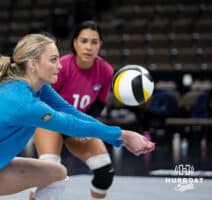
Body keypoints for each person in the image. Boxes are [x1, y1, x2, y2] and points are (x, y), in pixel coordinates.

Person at [0, 33, 155, 200]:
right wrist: (123, 136)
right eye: (53, 60)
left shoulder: (35, 87)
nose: (60, 65)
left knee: (57, 174)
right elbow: (70, 125)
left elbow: (72, 113)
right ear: (33, 64)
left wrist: (121, 135)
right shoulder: (22, 102)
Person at [32, 20, 140, 199]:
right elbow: (45, 100)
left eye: (94, 42)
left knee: (105, 172)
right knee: (49, 173)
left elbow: (99, 104)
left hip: (78, 124)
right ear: (75, 43)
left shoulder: (105, 70)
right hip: (51, 121)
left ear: (100, 45)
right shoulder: (62, 66)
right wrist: (65, 123)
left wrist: (82, 127)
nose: (88, 47)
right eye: (84, 41)